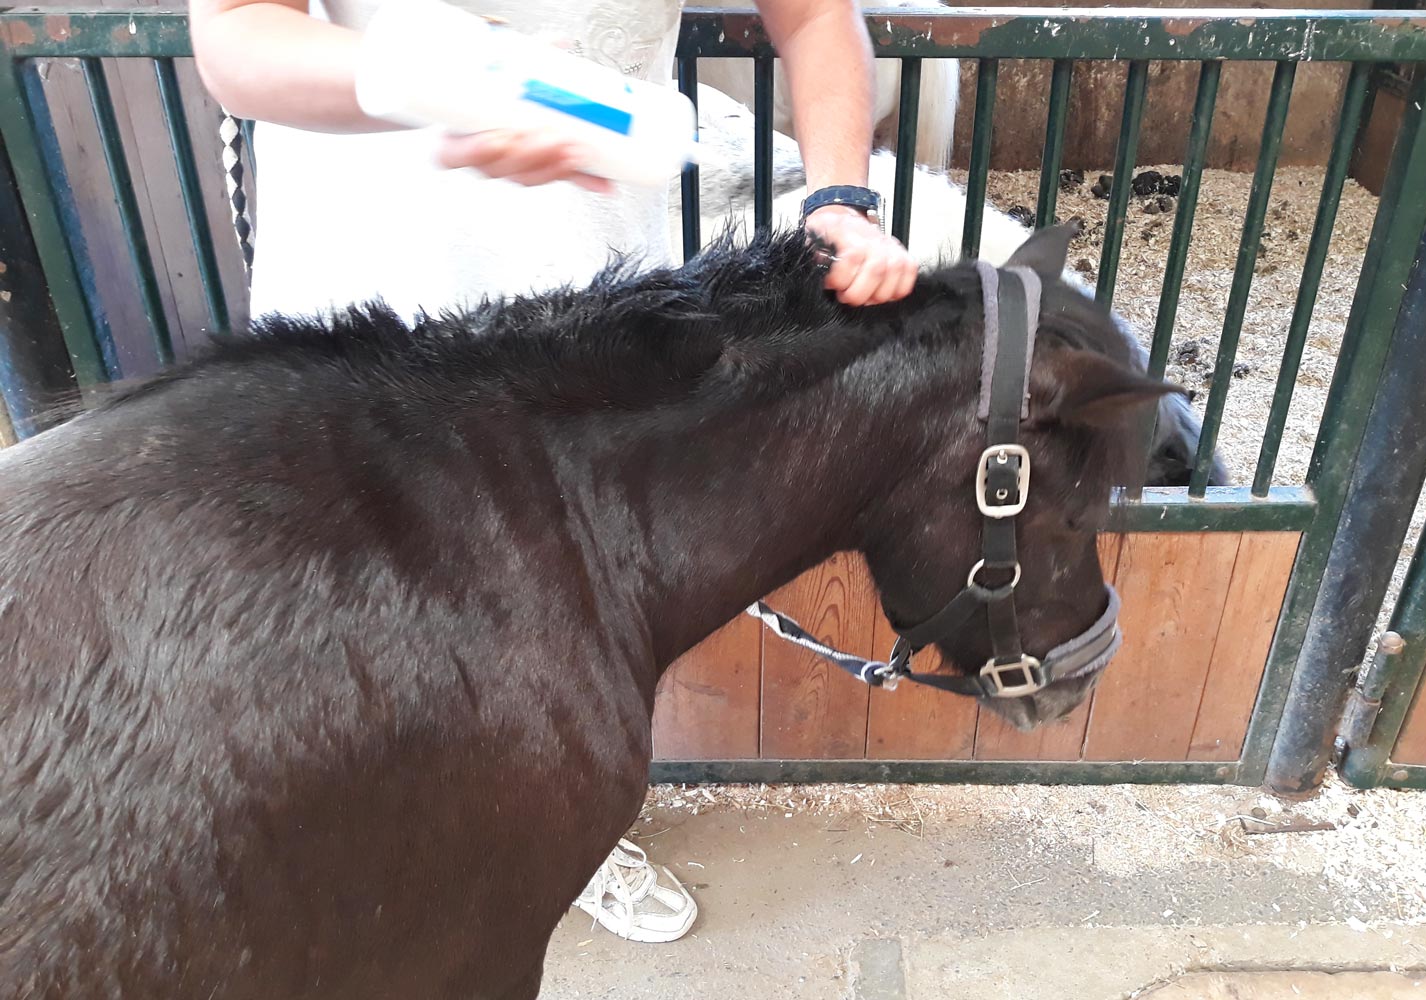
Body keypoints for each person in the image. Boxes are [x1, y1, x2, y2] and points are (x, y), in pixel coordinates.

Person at [189, 0, 918, 944]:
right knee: (353, 628)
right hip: (362, 322)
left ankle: (566, 835)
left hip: (589, 330)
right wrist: (455, 81)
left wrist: (839, 200)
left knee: (567, 620)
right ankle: (372, 850)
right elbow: (238, 33)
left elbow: (817, 14)